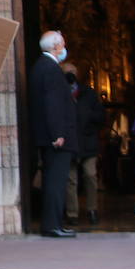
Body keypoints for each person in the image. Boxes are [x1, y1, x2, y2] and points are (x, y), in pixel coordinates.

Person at [29, 30, 78, 238]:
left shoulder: (43, 66)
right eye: (62, 45)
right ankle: (52, 225)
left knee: (54, 180)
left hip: (49, 135)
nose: (64, 49)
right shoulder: (49, 68)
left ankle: (55, 223)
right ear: (55, 46)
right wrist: (58, 133)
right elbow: (53, 104)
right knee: (55, 182)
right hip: (56, 137)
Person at [62, 63, 105, 229]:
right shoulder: (60, 92)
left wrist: (88, 119)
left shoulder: (89, 93)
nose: (70, 74)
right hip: (69, 142)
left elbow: (100, 115)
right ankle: (72, 213)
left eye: (72, 71)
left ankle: (92, 209)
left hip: (88, 142)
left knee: (90, 175)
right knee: (70, 179)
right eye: (66, 72)